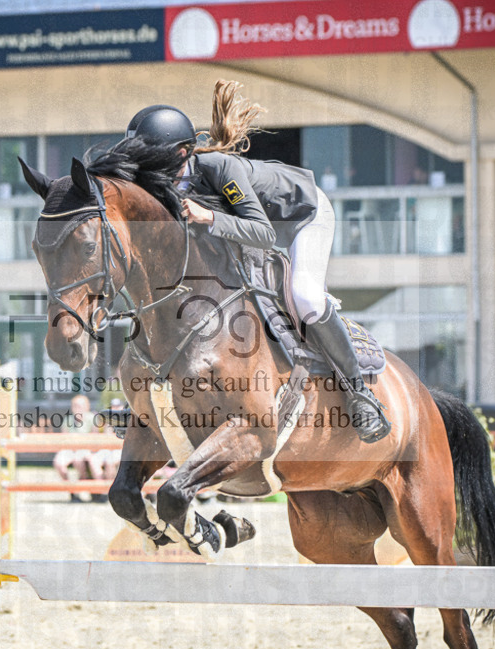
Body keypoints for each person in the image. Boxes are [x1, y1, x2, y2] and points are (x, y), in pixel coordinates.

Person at [124, 80, 390, 443]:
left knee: (306, 297)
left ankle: (360, 394)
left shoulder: (220, 170)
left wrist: (208, 218)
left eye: (149, 162)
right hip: (245, 230)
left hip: (300, 216)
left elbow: (263, 234)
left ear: (182, 154)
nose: (143, 171)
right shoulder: (161, 183)